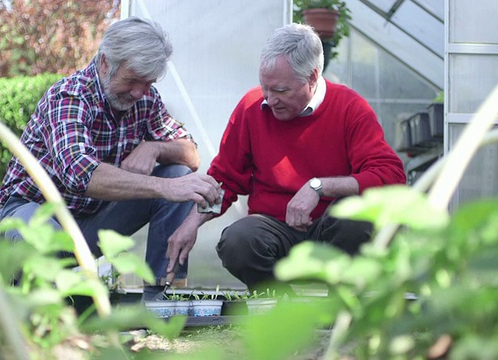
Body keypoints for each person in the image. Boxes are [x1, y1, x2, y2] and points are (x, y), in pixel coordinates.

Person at [0, 16, 223, 299]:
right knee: (43, 238)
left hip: (86, 222)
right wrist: (165, 187)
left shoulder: (146, 100)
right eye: (132, 80)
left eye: (147, 83)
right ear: (104, 63)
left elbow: (191, 154)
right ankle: (36, 313)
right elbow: (81, 174)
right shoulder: (69, 97)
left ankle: (162, 300)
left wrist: (155, 148)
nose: (139, 92)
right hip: (27, 214)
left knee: (180, 176)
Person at [165, 23, 406, 294]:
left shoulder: (350, 108)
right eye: (264, 87)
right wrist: (190, 224)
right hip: (274, 231)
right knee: (238, 240)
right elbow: (225, 179)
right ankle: (277, 307)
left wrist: (320, 186)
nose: (269, 99)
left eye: (280, 90)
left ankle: (343, 309)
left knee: (358, 216)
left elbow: (391, 177)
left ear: (313, 78)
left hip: (331, 232)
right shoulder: (251, 107)